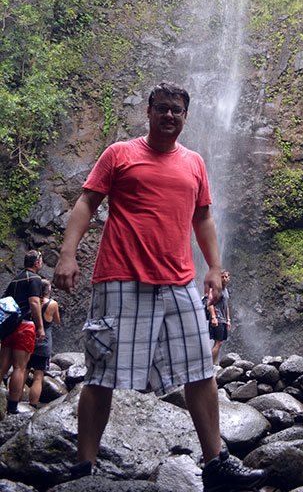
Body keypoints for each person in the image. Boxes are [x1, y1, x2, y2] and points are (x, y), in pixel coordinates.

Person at [54, 82, 266, 489]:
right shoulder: (119, 154)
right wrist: (67, 254)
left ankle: (216, 462)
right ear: (149, 111)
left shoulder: (195, 163)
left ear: (186, 117)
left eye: (177, 111)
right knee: (101, 374)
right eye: (163, 108)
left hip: (180, 281)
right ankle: (84, 467)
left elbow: (202, 218)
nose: (170, 116)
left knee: (201, 370)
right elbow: (86, 203)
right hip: (121, 278)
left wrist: (213, 267)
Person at [0, 249, 45, 414]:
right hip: (24, 325)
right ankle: (12, 406)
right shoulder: (35, 279)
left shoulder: (15, 279)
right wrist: (40, 327)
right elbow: (34, 302)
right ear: (37, 263)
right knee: (20, 367)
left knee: (2, 366)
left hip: (9, 326)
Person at [28, 279, 60, 408]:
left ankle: (14, 401)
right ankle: (32, 406)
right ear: (49, 290)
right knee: (38, 376)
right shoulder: (53, 304)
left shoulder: (31, 302)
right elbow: (57, 321)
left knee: (22, 370)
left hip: (29, 338)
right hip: (44, 342)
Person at [209, 270, 231, 364]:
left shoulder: (225, 291)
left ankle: (214, 363)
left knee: (218, 343)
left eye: (226, 277)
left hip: (223, 320)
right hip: (217, 318)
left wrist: (228, 320)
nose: (224, 279)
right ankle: (209, 365)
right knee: (218, 342)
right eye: (222, 277)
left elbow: (226, 306)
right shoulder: (216, 289)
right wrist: (213, 317)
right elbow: (210, 303)